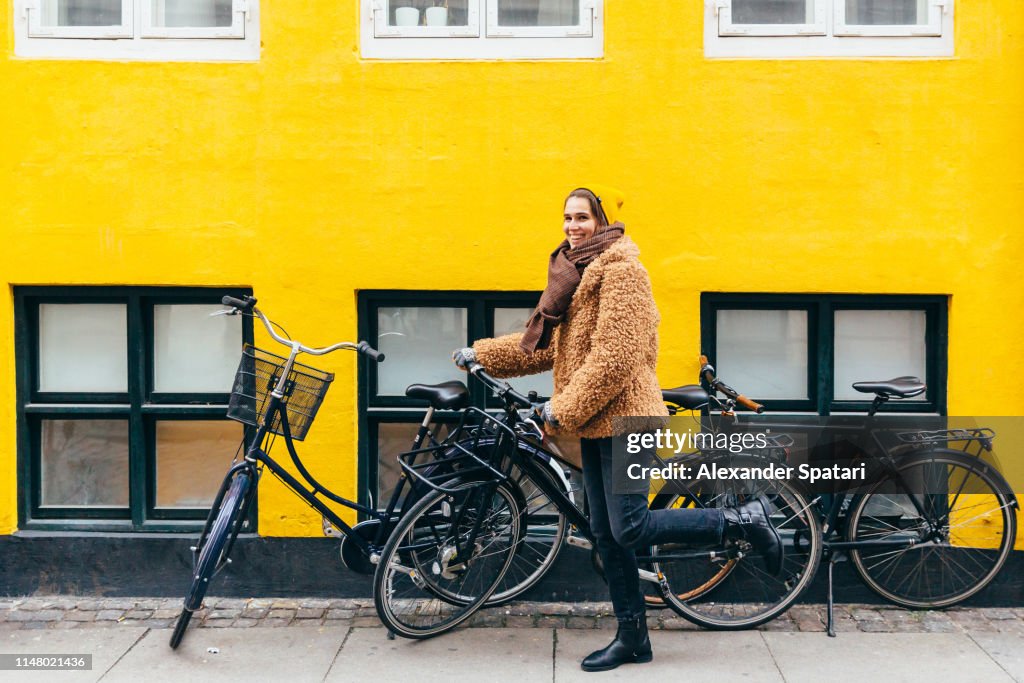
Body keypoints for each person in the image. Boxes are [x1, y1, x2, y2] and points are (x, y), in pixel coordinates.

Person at [452, 186, 783, 673]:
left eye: (581, 217)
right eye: (566, 217)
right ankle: (633, 639)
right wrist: (483, 355)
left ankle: (743, 520)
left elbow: (616, 357)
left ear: (601, 221)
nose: (572, 226)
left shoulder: (623, 272)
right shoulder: (574, 275)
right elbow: (548, 347)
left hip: (630, 420)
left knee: (629, 525)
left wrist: (561, 408)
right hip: (595, 424)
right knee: (609, 536)